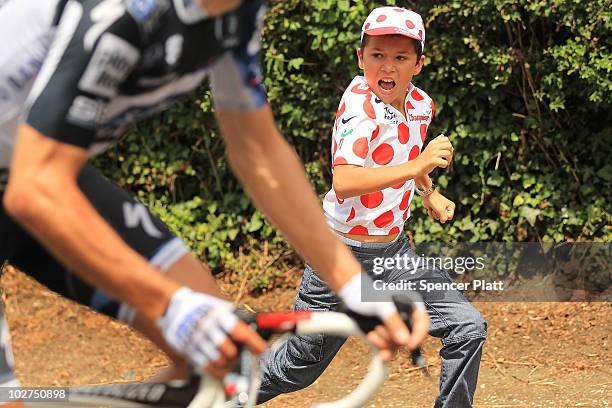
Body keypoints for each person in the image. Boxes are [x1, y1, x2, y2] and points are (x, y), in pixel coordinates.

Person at [0, 0, 430, 405]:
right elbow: (34, 188)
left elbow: (257, 150)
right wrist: (171, 305)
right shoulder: (124, 13)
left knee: (220, 367)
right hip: (37, 179)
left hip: (34, 170)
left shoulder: (236, 14)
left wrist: (352, 284)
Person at [257, 6, 487, 408]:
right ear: (361, 58)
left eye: (400, 57)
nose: (388, 66)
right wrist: (419, 165)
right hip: (338, 257)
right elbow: (345, 182)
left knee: (468, 327)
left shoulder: (420, 105)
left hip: (393, 254)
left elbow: (405, 152)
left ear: (418, 63)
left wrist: (426, 190)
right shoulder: (359, 109)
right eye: (378, 54)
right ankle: (206, 393)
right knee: (298, 366)